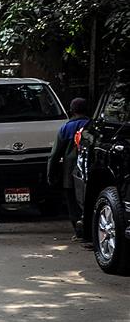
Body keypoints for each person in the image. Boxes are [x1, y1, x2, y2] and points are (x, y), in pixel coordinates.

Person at [47, 97, 90, 238]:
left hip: (70, 173)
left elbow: (54, 155)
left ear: (71, 110)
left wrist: (50, 175)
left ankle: (79, 233)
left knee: (73, 204)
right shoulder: (91, 126)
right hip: (89, 171)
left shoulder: (66, 128)